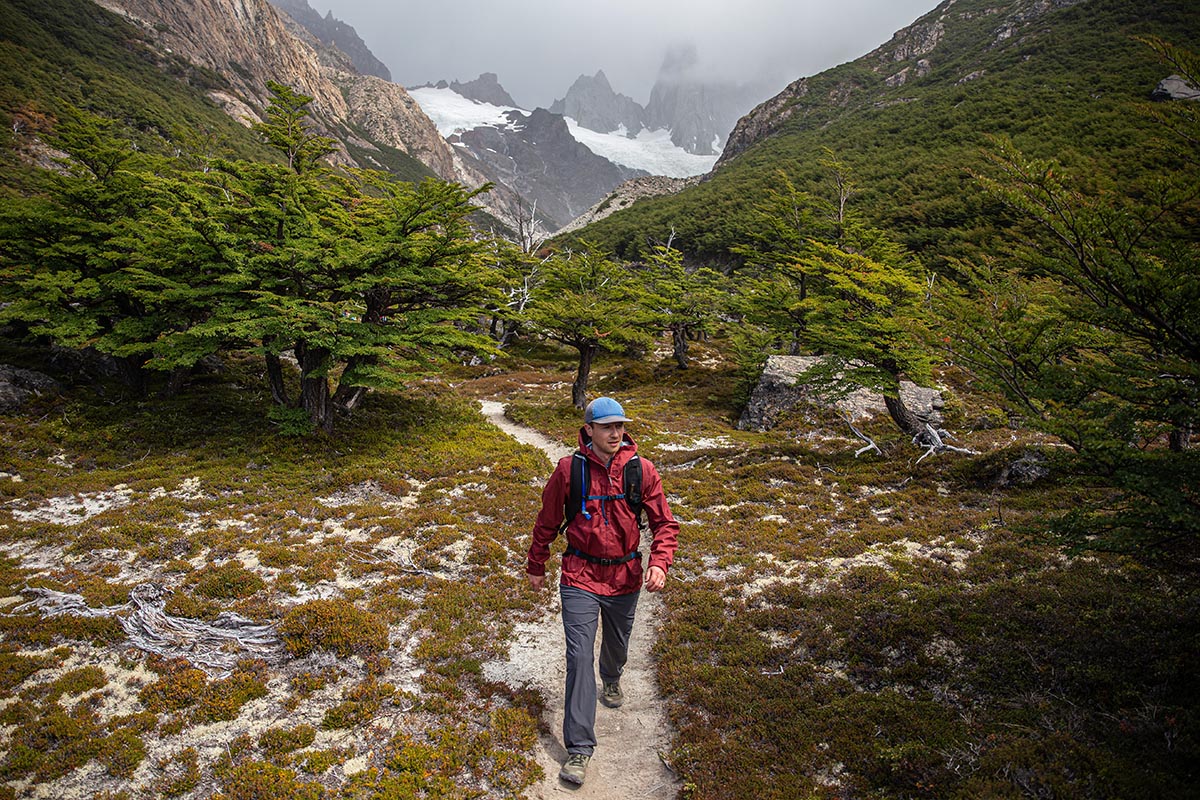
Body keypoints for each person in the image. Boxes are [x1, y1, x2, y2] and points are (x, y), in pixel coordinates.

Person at [526, 396, 679, 786]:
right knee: (578, 657)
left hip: (625, 577)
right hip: (578, 574)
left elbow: (665, 524)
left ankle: (611, 675)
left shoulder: (641, 470)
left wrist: (659, 562)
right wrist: (536, 565)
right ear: (589, 430)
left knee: (617, 643)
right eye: (607, 426)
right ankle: (579, 749)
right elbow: (547, 521)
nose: (615, 433)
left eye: (620, 426)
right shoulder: (568, 470)